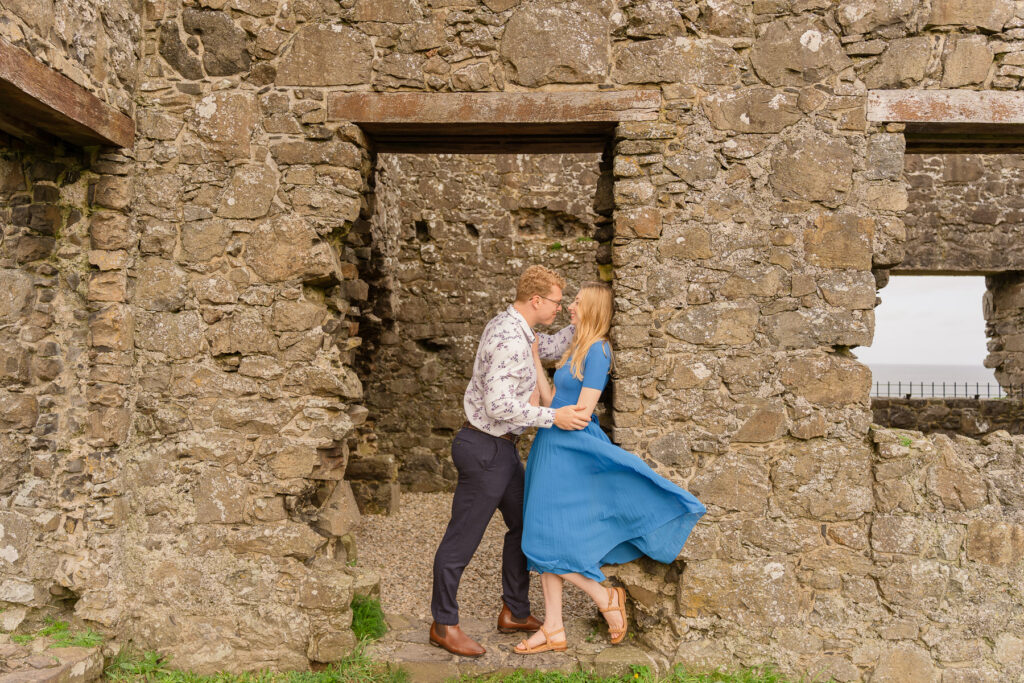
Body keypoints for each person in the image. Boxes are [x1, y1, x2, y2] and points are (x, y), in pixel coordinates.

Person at [512, 282, 706, 655]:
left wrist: (554, 415)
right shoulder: (574, 348)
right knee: (545, 533)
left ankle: (604, 596)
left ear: (594, 308)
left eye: (577, 302)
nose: (570, 306)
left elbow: (582, 414)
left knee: (537, 539)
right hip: (549, 445)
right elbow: (553, 400)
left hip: (570, 450)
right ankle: (553, 628)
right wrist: (536, 359)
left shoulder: (599, 350)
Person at [429, 266, 593, 658]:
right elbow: (497, 404)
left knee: (525, 524)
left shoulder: (521, 329)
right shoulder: (507, 336)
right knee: (461, 540)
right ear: (536, 300)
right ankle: (443, 623)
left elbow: (548, 350)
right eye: (556, 301)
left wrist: (586, 321)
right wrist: (554, 417)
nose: (558, 308)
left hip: (501, 449)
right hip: (484, 447)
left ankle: (515, 611)